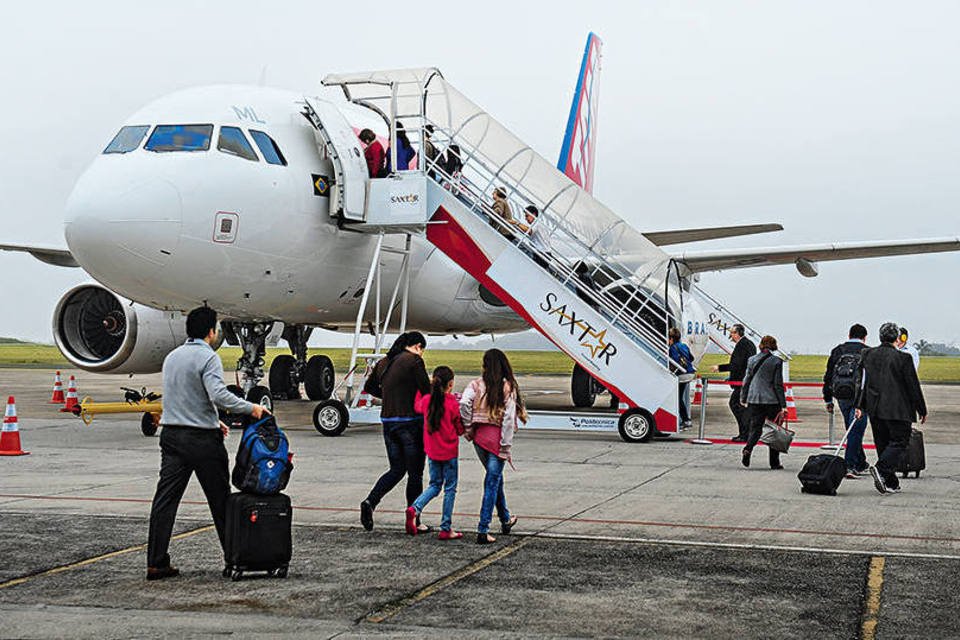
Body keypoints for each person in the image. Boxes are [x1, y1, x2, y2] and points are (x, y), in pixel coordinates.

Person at [146, 306, 268, 581]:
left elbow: (183, 397)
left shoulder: (172, 357)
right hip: (201, 441)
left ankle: (156, 562)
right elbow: (219, 396)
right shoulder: (207, 357)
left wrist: (215, 421)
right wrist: (252, 409)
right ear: (211, 332)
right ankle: (234, 559)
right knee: (221, 501)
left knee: (165, 501)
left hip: (173, 436)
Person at [360, 332, 431, 531]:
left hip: (388, 422)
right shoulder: (414, 361)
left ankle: (370, 502)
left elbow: (369, 387)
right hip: (410, 422)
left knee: (397, 469)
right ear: (417, 346)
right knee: (415, 473)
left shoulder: (384, 361)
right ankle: (414, 518)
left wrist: (389, 395)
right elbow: (426, 391)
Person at [855, 322, 927, 495]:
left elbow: (862, 383)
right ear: (897, 338)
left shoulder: (867, 354)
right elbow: (912, 386)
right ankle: (881, 469)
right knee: (900, 441)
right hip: (898, 409)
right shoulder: (903, 358)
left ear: (880, 337)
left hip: (875, 408)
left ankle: (891, 482)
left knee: (883, 444)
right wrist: (921, 409)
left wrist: (859, 405)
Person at [460, 349, 520, 544]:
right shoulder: (507, 387)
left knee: (495, 480)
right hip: (496, 440)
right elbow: (509, 419)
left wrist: (469, 427)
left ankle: (505, 519)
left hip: (479, 439)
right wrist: (505, 445)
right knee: (491, 483)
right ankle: (483, 529)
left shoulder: (476, 384)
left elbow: (464, 403)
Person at [406, 366, 465, 540]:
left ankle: (414, 508)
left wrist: (419, 390)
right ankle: (445, 527)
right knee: (450, 489)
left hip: (432, 452)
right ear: (451, 384)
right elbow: (460, 428)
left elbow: (417, 406)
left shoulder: (426, 401)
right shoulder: (452, 403)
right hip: (449, 452)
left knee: (434, 485)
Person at [823, 323, 870, 478]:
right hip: (861, 398)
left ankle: (861, 462)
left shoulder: (838, 351)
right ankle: (849, 466)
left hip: (841, 395)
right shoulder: (868, 352)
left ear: (849, 335)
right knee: (855, 431)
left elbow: (828, 376)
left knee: (852, 429)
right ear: (864, 337)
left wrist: (828, 399)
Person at [739, 335, 787, 470]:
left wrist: (743, 397)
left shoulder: (752, 359)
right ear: (774, 346)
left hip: (754, 399)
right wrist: (783, 405)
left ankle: (748, 449)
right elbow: (778, 384)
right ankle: (774, 462)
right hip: (771, 400)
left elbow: (747, 380)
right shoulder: (776, 361)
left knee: (755, 428)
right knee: (773, 430)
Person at [711, 324, 757, 442]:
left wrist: (719, 367)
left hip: (742, 383)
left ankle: (744, 434)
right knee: (740, 407)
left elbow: (737, 364)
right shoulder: (748, 344)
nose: (730, 335)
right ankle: (746, 432)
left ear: (737, 333)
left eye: (732, 332)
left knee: (736, 406)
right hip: (744, 381)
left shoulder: (742, 345)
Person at [668, 327, 696, 427]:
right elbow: (691, 358)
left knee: (677, 398)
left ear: (671, 339)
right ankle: (684, 419)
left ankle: (685, 419)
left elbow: (675, 362)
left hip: (682, 375)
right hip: (690, 373)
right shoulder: (684, 345)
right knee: (680, 397)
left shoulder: (673, 348)